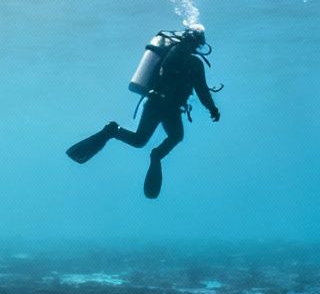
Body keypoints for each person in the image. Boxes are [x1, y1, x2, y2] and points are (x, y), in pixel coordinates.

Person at [65, 24, 221, 199]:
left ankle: (113, 132)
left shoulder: (173, 52)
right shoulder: (194, 62)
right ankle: (154, 154)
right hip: (167, 108)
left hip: (156, 103)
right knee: (173, 136)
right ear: (200, 43)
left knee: (144, 139)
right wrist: (212, 109)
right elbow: (202, 91)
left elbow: (189, 86)